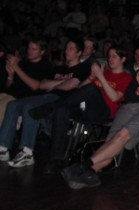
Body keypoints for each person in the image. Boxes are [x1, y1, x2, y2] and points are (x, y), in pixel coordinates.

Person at [61, 44, 139, 188]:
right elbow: (128, 95)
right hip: (129, 107)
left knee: (122, 135)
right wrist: (138, 91)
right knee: (111, 142)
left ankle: (83, 166)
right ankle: (88, 172)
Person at [31, 46, 132, 174]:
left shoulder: (126, 77)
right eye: (109, 56)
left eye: (114, 56)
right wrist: (91, 77)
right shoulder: (105, 72)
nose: (110, 59)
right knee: (62, 110)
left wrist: (100, 76)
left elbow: (114, 97)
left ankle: (52, 107)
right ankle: (57, 159)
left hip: (103, 111)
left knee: (93, 89)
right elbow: (80, 89)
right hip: (87, 107)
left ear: (123, 59)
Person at [0, 38, 91, 168]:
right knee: (13, 105)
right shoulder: (58, 69)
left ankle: (27, 152)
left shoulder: (82, 68)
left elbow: (71, 85)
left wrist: (55, 85)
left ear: (79, 52)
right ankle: (3, 148)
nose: (66, 51)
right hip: (46, 96)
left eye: (71, 49)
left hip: (62, 100)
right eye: (66, 48)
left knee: (30, 107)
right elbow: (42, 85)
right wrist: (62, 83)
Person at [1, 39, 52, 123]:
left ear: (42, 52)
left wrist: (16, 67)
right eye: (29, 48)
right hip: (9, 96)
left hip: (23, 100)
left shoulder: (46, 66)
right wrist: (10, 76)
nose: (30, 51)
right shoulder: (23, 64)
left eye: (34, 49)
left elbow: (35, 86)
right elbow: (8, 86)